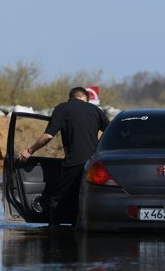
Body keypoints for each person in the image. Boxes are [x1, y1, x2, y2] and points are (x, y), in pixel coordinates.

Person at [17, 87, 109, 227]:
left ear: (70, 98)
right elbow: (109, 133)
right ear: (86, 99)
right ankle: (80, 233)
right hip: (94, 164)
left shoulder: (62, 108)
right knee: (82, 198)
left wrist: (30, 150)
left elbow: (48, 136)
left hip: (74, 163)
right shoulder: (96, 110)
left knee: (56, 200)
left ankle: (54, 236)